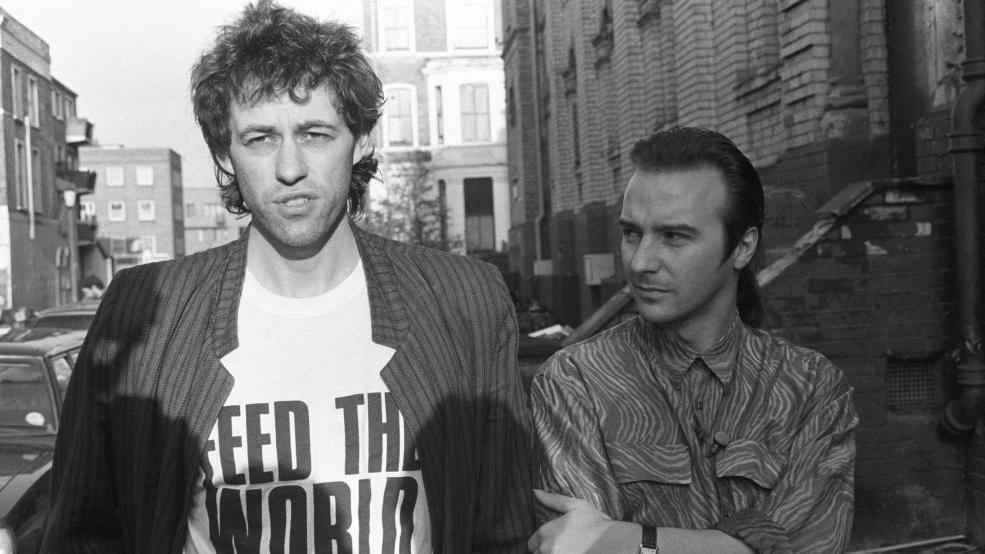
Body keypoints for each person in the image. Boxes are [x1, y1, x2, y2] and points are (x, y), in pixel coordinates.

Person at [41, 2, 534, 552]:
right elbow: (81, 534)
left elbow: (506, 531)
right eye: (260, 138)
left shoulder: (464, 303)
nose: (290, 167)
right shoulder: (146, 313)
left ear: (363, 139)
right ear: (224, 157)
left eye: (316, 133)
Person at [528, 127, 858, 554]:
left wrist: (636, 541)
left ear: (743, 247)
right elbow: (573, 546)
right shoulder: (576, 381)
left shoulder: (811, 388)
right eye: (632, 233)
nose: (642, 261)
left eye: (674, 236)